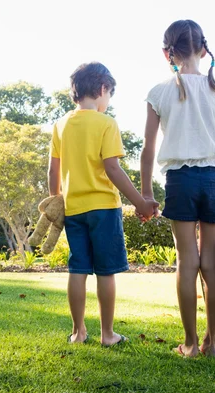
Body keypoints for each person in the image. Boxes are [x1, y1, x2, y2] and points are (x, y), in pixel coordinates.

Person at [140, 20, 215, 357]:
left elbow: (148, 150)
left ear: (167, 53)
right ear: (203, 48)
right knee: (211, 263)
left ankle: (189, 344)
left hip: (179, 181)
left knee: (187, 262)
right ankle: (212, 344)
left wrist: (146, 195)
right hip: (214, 181)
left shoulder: (158, 93)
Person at [49, 62, 158, 346]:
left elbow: (54, 171)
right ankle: (107, 335)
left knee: (78, 269)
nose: (108, 102)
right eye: (109, 95)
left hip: (73, 209)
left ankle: (78, 332)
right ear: (101, 89)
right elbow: (112, 169)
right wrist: (140, 203)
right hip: (104, 208)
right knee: (106, 271)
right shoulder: (106, 123)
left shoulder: (60, 125)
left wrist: (55, 202)